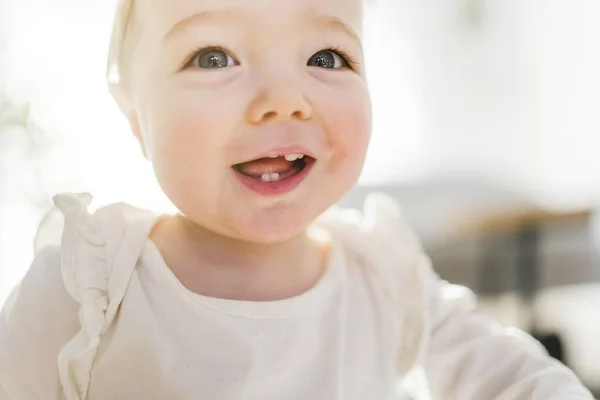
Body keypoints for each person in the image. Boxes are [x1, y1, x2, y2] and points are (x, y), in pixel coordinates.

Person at [0, 0, 593, 398]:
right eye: (213, 57)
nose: (285, 98)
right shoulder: (90, 285)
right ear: (134, 116)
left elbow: (512, 375)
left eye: (326, 58)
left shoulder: (383, 276)